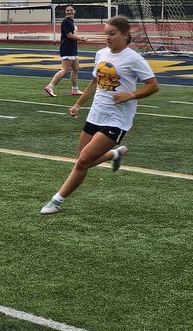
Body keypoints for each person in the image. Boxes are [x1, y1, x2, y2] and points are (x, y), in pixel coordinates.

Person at [41, 16, 159, 215]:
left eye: (112, 34)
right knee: (81, 160)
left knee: (84, 161)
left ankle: (56, 200)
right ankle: (115, 154)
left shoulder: (133, 58)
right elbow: (94, 83)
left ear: (125, 34)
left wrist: (130, 94)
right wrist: (78, 104)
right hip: (96, 113)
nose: (108, 38)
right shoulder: (101, 54)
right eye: (106, 34)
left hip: (117, 119)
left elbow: (153, 86)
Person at [45, 5, 82, 97]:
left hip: (73, 48)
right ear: (65, 12)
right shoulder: (66, 22)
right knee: (65, 69)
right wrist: (81, 39)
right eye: (68, 10)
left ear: (74, 11)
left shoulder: (71, 21)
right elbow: (69, 35)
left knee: (76, 68)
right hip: (67, 48)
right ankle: (50, 86)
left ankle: (75, 89)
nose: (70, 12)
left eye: (71, 10)